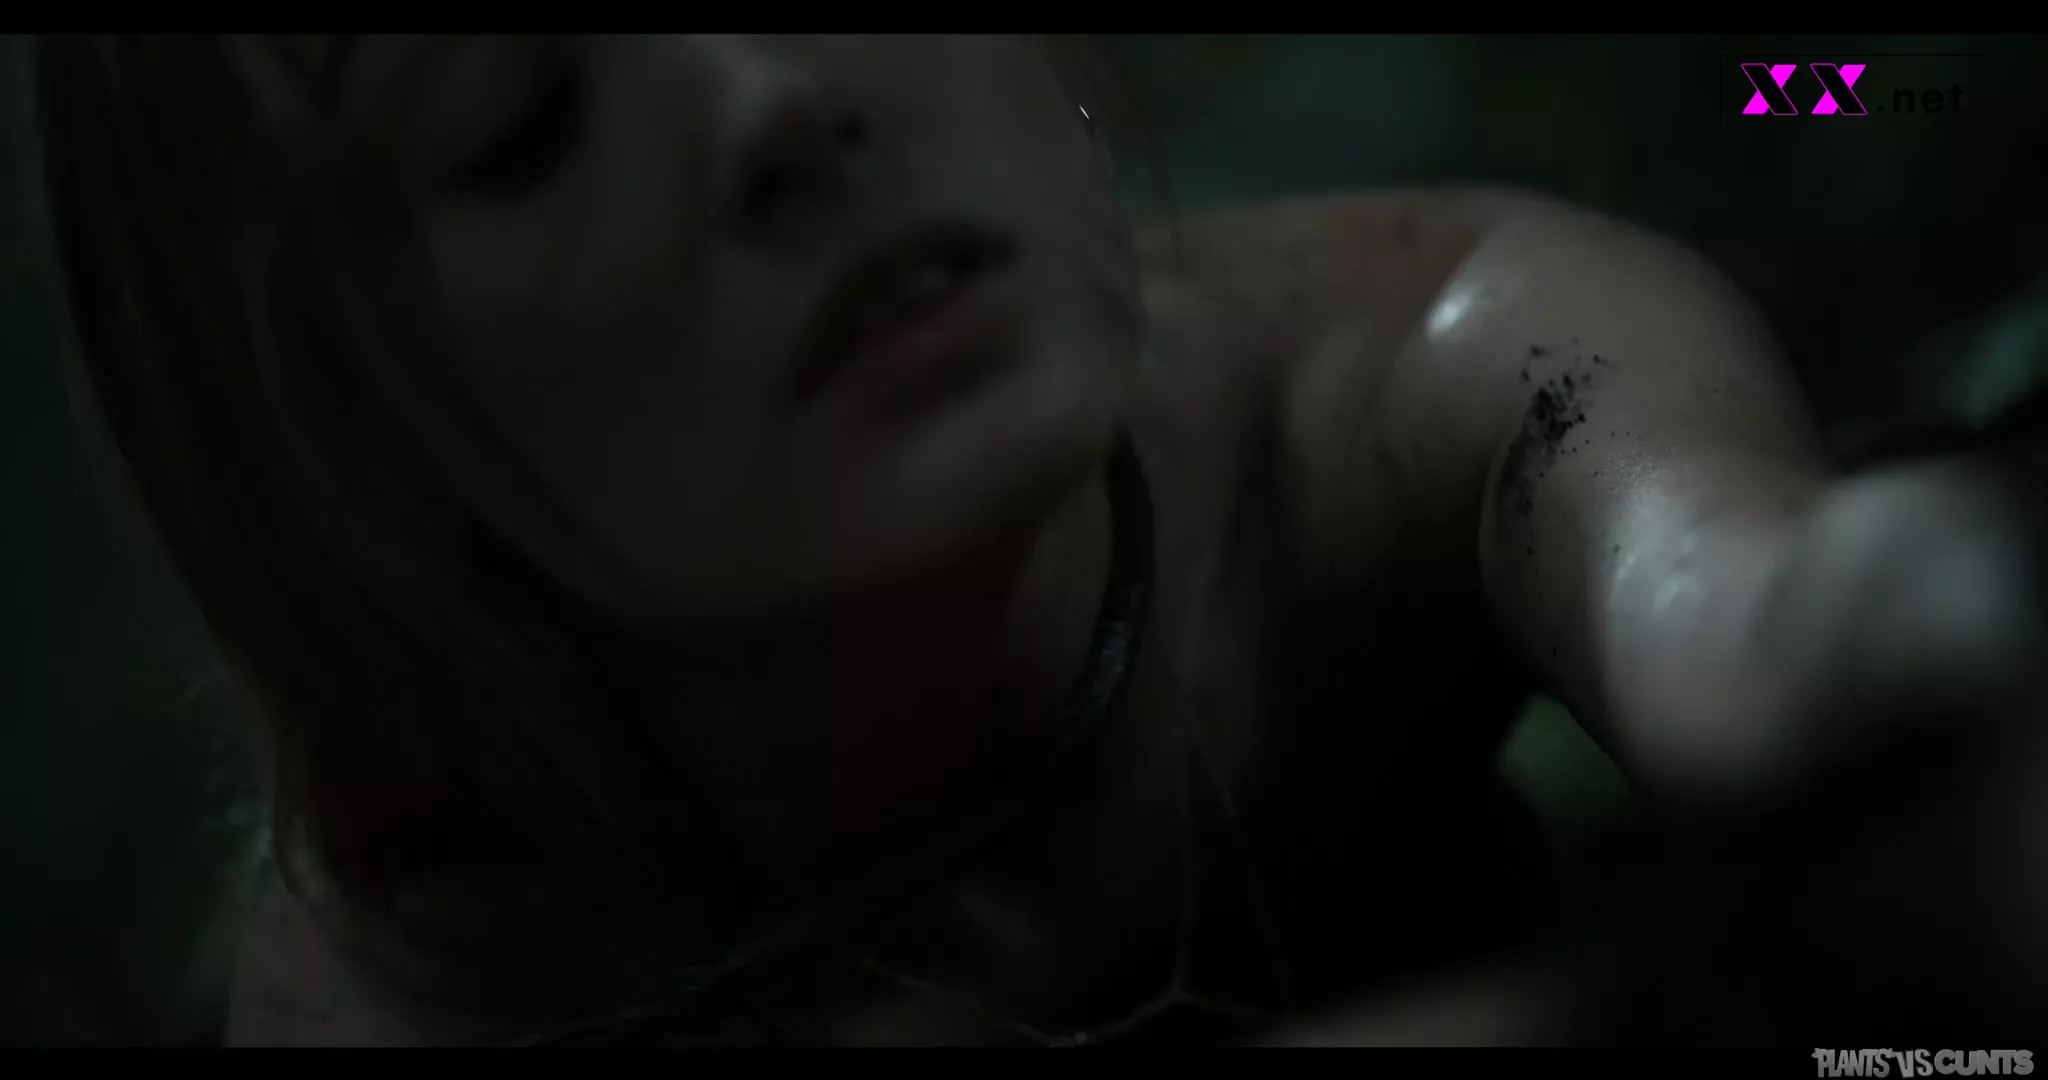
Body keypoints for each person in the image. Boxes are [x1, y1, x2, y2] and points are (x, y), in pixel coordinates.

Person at [33, 35, 2047, 1046]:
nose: (776, 104)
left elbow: (1753, 618)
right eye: (523, 122)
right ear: (349, 465)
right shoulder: (413, 974)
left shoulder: (1428, 365)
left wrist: (1889, 632)